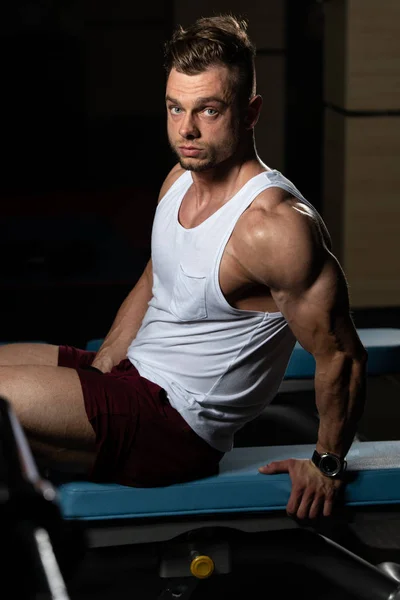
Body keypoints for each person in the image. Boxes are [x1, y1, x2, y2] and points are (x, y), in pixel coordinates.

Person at [0, 15, 367, 521]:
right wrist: (106, 358)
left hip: (172, 426)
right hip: (130, 379)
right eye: (175, 108)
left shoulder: (272, 229)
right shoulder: (179, 178)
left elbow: (342, 356)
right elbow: (156, 275)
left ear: (250, 111)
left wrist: (327, 464)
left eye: (208, 111)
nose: (186, 129)